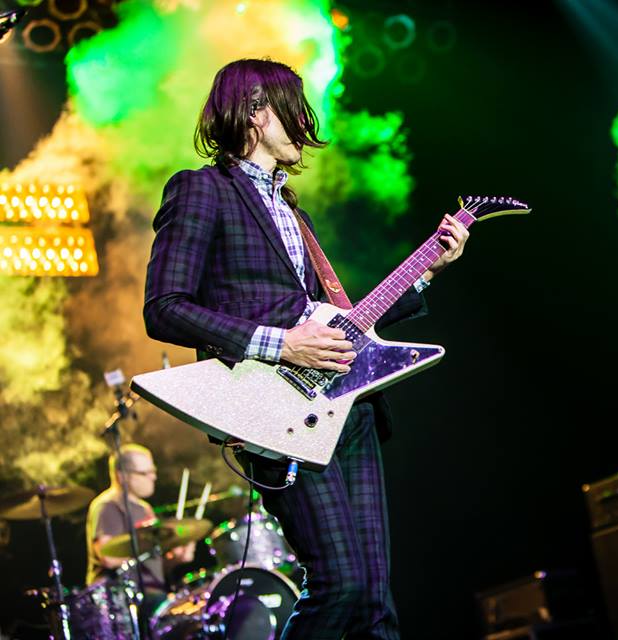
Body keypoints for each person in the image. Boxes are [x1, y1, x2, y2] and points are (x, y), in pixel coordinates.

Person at [143, 58, 469, 639]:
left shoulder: (296, 213)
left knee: (374, 600)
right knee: (340, 583)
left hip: (347, 409)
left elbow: (342, 322)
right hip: (273, 411)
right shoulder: (201, 189)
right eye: (293, 109)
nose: (305, 124)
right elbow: (164, 306)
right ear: (254, 112)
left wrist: (427, 272)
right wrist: (281, 344)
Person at [85, 443, 195, 591]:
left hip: (153, 591)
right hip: (120, 595)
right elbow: (109, 558)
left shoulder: (145, 508)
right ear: (122, 476)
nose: (153, 477)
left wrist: (177, 557)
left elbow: (153, 563)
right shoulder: (108, 506)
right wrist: (148, 552)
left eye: (153, 471)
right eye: (145, 473)